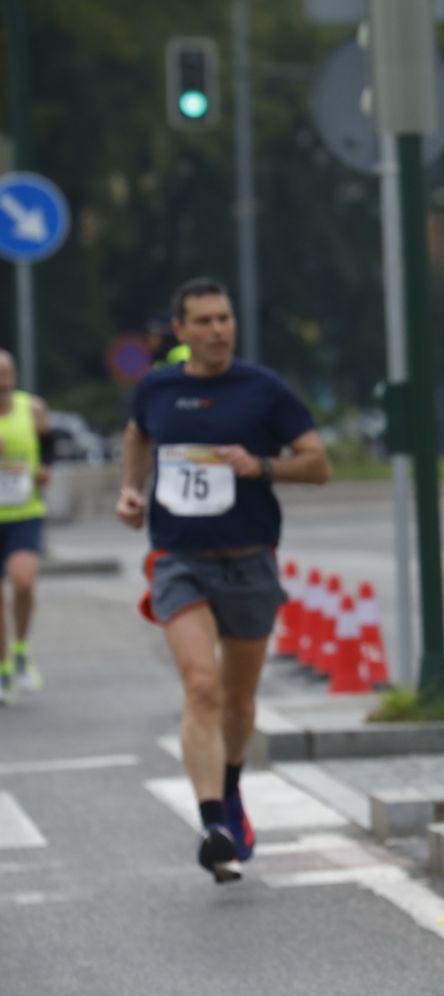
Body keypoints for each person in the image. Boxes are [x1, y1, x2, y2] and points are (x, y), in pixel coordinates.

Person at [116, 277, 331, 883]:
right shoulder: (157, 389)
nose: (218, 330)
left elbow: (319, 465)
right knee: (202, 687)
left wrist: (258, 465)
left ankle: (231, 790)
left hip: (249, 559)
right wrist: (131, 492)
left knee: (237, 700)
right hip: (179, 559)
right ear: (180, 332)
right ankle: (212, 822)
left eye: (225, 318)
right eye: (204, 321)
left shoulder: (263, 390)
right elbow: (138, 435)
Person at [0, 350, 53, 702]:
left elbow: (49, 445)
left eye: (8, 372)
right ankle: (3, 668)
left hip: (24, 512)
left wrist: (44, 469)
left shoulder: (31, 408)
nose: (5, 379)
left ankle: (20, 649)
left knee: (23, 582)